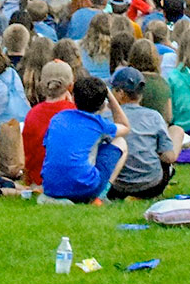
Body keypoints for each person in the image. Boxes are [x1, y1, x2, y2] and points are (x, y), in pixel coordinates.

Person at [39, 76, 128, 204]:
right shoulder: (98, 124)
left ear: (73, 98)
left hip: (51, 187)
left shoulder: (58, 118)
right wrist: (110, 96)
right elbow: (125, 126)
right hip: (83, 188)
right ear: (103, 103)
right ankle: (100, 195)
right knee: (120, 142)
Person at [107, 67, 180, 200]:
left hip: (113, 186)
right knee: (176, 132)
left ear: (120, 93)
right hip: (151, 186)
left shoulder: (107, 117)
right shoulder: (154, 116)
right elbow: (169, 157)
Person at [21, 61, 75, 188]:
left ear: (42, 85)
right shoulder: (75, 112)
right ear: (71, 86)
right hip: (68, 179)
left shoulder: (32, 114)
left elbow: (27, 153)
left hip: (38, 180)